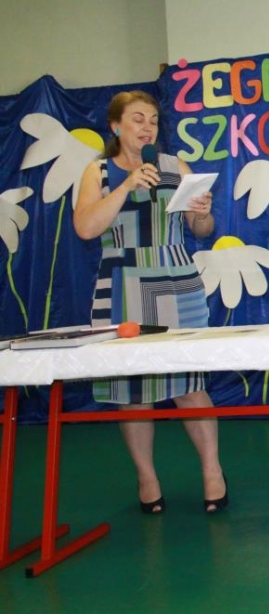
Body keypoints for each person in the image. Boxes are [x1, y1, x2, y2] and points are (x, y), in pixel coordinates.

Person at [73, 90, 227, 514]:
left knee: (190, 386)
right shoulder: (97, 172)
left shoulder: (176, 167)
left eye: (154, 120)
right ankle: (147, 477)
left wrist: (202, 212)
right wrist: (126, 184)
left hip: (177, 282)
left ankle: (212, 471)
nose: (147, 127)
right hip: (122, 284)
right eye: (138, 119)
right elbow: (86, 227)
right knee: (134, 391)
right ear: (116, 126)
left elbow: (201, 229)